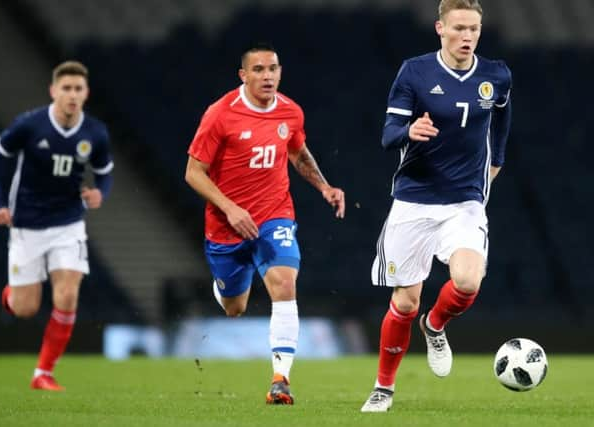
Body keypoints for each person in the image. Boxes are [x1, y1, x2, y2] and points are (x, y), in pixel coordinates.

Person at [361, 0, 512, 412]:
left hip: (464, 201)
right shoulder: (415, 71)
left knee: (467, 280)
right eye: (460, 28)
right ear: (440, 29)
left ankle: (436, 324)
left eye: (474, 29)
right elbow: (388, 134)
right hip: (414, 200)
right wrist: (410, 129)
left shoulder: (495, 74)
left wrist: (496, 160)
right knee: (405, 302)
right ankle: (383, 387)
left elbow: (501, 116)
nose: (467, 37)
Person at [185, 43, 345, 405]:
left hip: (274, 216)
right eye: (258, 69)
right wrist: (230, 209)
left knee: (285, 284)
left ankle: (280, 380)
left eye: (273, 68)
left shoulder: (290, 112)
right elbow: (193, 173)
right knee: (234, 308)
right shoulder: (220, 114)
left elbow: (297, 152)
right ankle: (223, 286)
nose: (267, 76)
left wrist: (324, 186)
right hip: (227, 225)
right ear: (243, 75)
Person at [0, 60, 114, 391]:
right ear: (53, 91)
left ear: (86, 93)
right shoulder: (30, 125)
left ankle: (43, 372)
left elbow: (105, 170)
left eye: (78, 89)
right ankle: (10, 294)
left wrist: (101, 191)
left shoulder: (95, 133)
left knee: (68, 294)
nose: (72, 95)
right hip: (26, 223)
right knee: (25, 308)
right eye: (66, 88)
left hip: (68, 222)